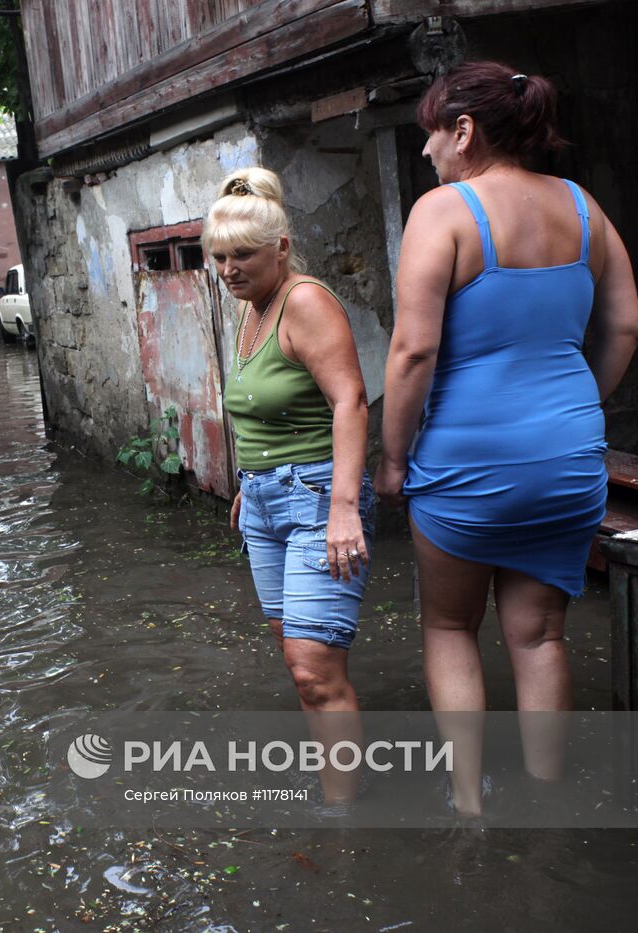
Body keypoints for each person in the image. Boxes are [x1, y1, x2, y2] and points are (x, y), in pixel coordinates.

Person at [377, 61, 638, 816]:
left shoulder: (445, 212)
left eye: (431, 133)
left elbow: (412, 353)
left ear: (463, 132)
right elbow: (626, 325)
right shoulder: (584, 209)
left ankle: (470, 805)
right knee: (539, 636)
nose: (426, 151)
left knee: (450, 627)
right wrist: (578, 406)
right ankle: (551, 806)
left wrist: (393, 459)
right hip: (568, 459)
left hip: (467, 461)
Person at [206, 167, 376, 803]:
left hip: (317, 501)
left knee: (314, 668)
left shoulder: (305, 301)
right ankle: (340, 785)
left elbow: (350, 401)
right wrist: (250, 484)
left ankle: (346, 814)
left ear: (280, 247)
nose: (229, 270)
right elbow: (265, 411)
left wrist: (343, 510)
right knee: (300, 659)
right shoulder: (253, 310)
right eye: (219, 257)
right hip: (268, 502)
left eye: (243, 255)